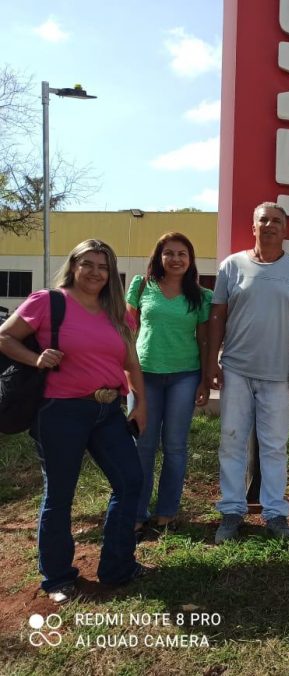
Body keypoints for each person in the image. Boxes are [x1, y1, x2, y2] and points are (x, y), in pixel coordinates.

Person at [0, 239, 147, 603]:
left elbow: (130, 363)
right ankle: (57, 578)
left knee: (130, 481)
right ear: (74, 265)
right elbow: (4, 336)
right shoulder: (48, 302)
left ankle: (117, 567)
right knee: (60, 495)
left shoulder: (117, 311)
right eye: (88, 263)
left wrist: (140, 401)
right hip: (60, 412)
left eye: (103, 266)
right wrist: (36, 359)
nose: (95, 271)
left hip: (108, 411)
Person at [207, 202, 289, 544]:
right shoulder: (231, 266)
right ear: (253, 226)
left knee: (274, 446)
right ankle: (231, 511)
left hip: (278, 373)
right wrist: (212, 360)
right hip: (236, 369)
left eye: (276, 221)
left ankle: (275, 513)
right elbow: (217, 316)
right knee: (231, 441)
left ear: (285, 230)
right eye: (263, 220)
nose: (269, 225)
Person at [126, 232, 213, 536]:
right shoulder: (141, 286)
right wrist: (127, 375)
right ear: (159, 257)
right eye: (169, 253)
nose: (175, 259)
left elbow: (204, 339)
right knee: (143, 446)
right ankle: (136, 514)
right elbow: (127, 334)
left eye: (182, 254)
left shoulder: (201, 296)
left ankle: (167, 514)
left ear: (190, 261)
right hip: (144, 375)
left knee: (175, 446)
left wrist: (205, 379)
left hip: (185, 376)